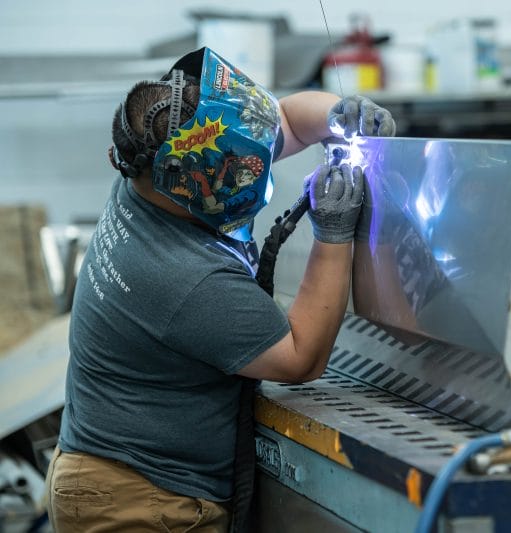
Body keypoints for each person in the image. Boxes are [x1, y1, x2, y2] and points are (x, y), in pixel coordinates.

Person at [44, 47, 395, 532]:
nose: (246, 171)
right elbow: (299, 357)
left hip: (115, 473)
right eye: (228, 169)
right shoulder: (182, 275)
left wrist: (337, 116)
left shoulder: (145, 175)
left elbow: (287, 121)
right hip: (139, 501)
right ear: (191, 180)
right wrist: (332, 235)